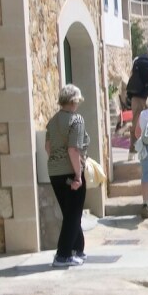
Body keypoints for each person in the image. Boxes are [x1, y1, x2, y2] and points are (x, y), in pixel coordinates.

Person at [45, 84, 90, 267]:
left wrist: (58, 162)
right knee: (73, 214)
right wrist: (78, 176)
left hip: (54, 172)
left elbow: (48, 147)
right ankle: (63, 255)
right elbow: (73, 149)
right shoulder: (76, 120)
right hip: (71, 171)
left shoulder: (52, 121)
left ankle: (77, 249)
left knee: (70, 212)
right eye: (78, 101)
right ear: (73, 101)